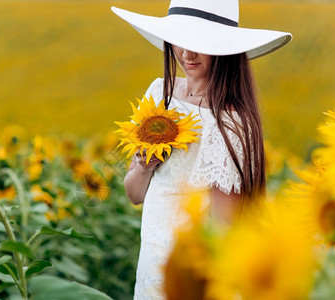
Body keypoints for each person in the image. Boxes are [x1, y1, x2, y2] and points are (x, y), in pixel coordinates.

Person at [111, 0, 292, 299]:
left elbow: (222, 235)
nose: (186, 53)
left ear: (224, 49)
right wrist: (144, 165)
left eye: (200, 43)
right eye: (180, 39)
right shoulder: (160, 93)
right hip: (152, 269)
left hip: (193, 281)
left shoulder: (229, 125)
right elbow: (134, 194)